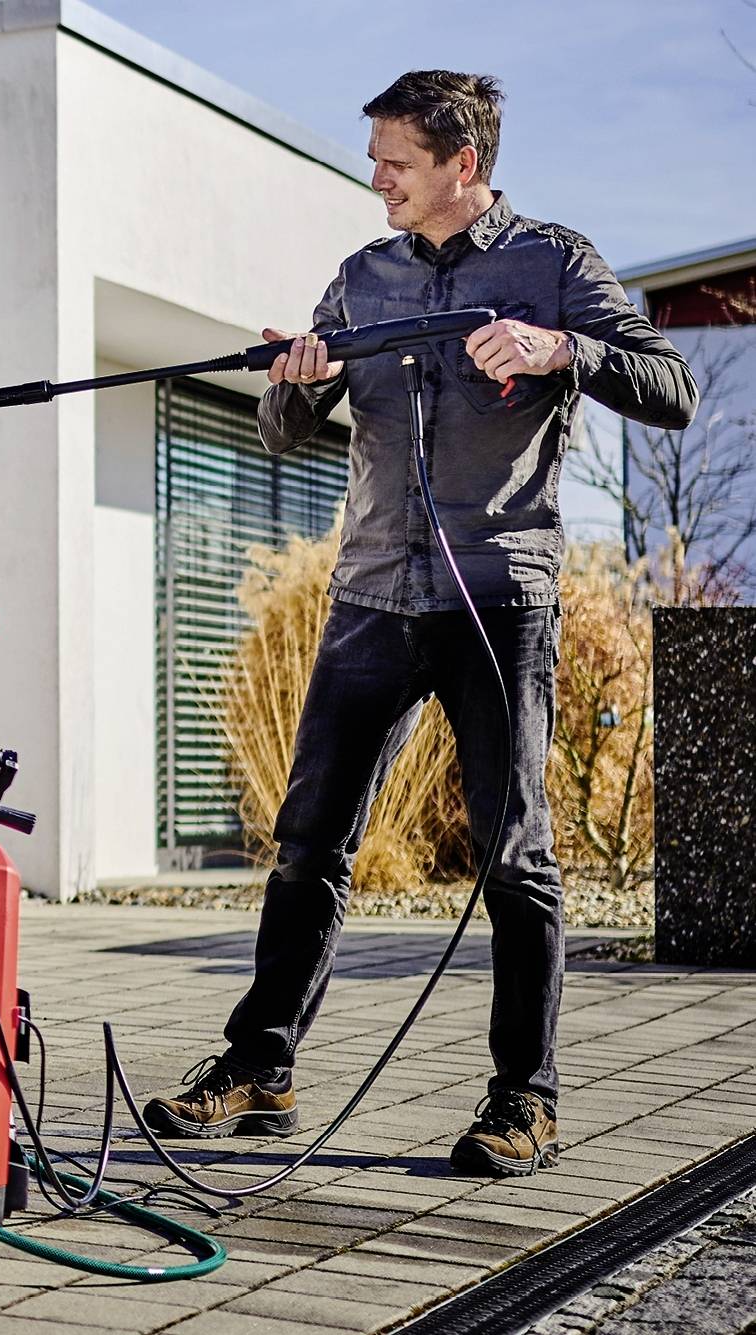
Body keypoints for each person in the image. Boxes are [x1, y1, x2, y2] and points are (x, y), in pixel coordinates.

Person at [143, 70, 696, 1176]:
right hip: (367, 600)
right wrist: (296, 382)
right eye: (376, 158)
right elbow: (280, 432)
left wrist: (557, 352)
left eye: (395, 160)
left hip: (495, 599)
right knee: (308, 845)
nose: (376, 178)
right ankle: (260, 1067)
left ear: (463, 164)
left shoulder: (551, 263)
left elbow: (669, 384)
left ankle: (521, 1101)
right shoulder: (362, 278)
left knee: (514, 858)